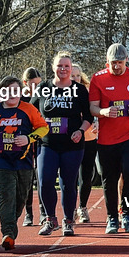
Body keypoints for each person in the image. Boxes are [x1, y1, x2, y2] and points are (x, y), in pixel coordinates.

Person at [0, 76, 49, 251]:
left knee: (20, 198)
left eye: (16, 91)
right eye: (8, 91)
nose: (12, 94)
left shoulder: (29, 109)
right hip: (2, 161)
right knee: (6, 195)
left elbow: (43, 127)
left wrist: (28, 138)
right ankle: (8, 233)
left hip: (24, 161)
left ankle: (11, 225)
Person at [89, 43, 129, 234]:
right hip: (107, 138)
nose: (116, 66)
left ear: (127, 60)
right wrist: (104, 112)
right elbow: (93, 107)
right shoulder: (98, 78)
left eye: (120, 62)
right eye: (113, 63)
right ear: (107, 61)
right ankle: (112, 218)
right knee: (109, 178)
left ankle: (128, 215)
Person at [32, 51, 91, 237]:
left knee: (68, 184)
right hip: (47, 143)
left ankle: (68, 221)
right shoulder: (43, 87)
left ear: (71, 68)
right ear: (53, 68)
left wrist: (80, 131)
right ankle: (50, 219)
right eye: (59, 66)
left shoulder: (80, 90)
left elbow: (88, 117)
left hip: (72, 145)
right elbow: (31, 111)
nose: (63, 69)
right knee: (45, 181)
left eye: (66, 66)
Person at [72, 64, 99, 223]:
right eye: (71, 76)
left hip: (88, 138)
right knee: (70, 176)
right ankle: (71, 208)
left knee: (86, 175)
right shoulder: (63, 91)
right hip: (70, 139)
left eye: (77, 76)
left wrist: (96, 121)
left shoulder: (88, 90)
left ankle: (82, 207)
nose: (74, 79)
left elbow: (96, 109)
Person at [20, 67, 43, 225]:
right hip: (24, 142)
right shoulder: (20, 100)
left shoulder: (43, 95)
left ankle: (43, 211)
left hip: (40, 139)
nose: (36, 87)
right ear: (25, 83)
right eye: (33, 84)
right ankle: (28, 212)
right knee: (27, 178)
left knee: (41, 177)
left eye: (39, 84)